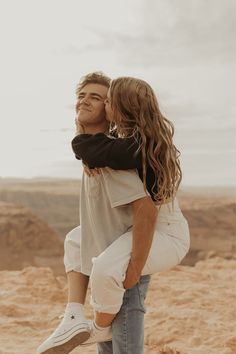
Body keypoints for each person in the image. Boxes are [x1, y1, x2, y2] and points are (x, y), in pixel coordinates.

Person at [36, 72, 153, 354]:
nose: (85, 101)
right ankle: (73, 316)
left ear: (110, 110)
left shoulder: (111, 160)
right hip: (104, 257)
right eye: (82, 95)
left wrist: (135, 268)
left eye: (96, 97)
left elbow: (145, 209)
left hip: (124, 263)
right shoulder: (95, 155)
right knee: (107, 347)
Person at [71, 76, 190, 335]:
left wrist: (136, 266)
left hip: (164, 232)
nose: (105, 105)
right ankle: (75, 315)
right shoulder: (135, 140)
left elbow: (91, 148)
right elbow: (96, 149)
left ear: (122, 109)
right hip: (142, 227)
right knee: (75, 240)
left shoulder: (136, 147)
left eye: (108, 101)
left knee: (108, 271)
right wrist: (88, 156)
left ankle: (99, 331)